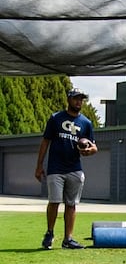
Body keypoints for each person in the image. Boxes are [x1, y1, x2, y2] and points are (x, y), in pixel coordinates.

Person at [36, 88, 98, 250]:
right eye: (76, 99)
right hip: (56, 168)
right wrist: (39, 165)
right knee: (54, 201)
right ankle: (49, 233)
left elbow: (94, 147)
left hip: (74, 168)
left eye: (81, 99)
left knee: (71, 204)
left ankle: (68, 239)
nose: (79, 102)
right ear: (69, 100)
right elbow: (45, 142)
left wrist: (89, 151)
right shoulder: (56, 118)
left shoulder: (86, 123)